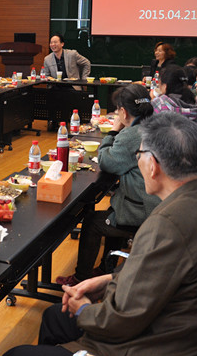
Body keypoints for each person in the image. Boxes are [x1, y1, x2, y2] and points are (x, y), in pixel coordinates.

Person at [0, 112, 197, 356]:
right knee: (55, 317)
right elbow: (160, 276)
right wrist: (104, 281)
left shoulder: (168, 224)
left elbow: (119, 321)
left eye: (139, 154)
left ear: (153, 166)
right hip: (182, 341)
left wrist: (85, 311)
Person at [56, 85, 161, 286]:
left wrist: (113, 131)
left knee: (93, 222)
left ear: (123, 112)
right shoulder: (155, 124)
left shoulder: (132, 134)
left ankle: (81, 279)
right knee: (113, 210)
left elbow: (106, 161)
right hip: (159, 204)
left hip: (144, 210)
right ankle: (106, 268)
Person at [152, 64, 197, 141]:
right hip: (194, 152)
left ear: (165, 86)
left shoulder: (158, 104)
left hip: (163, 152)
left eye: (159, 84)